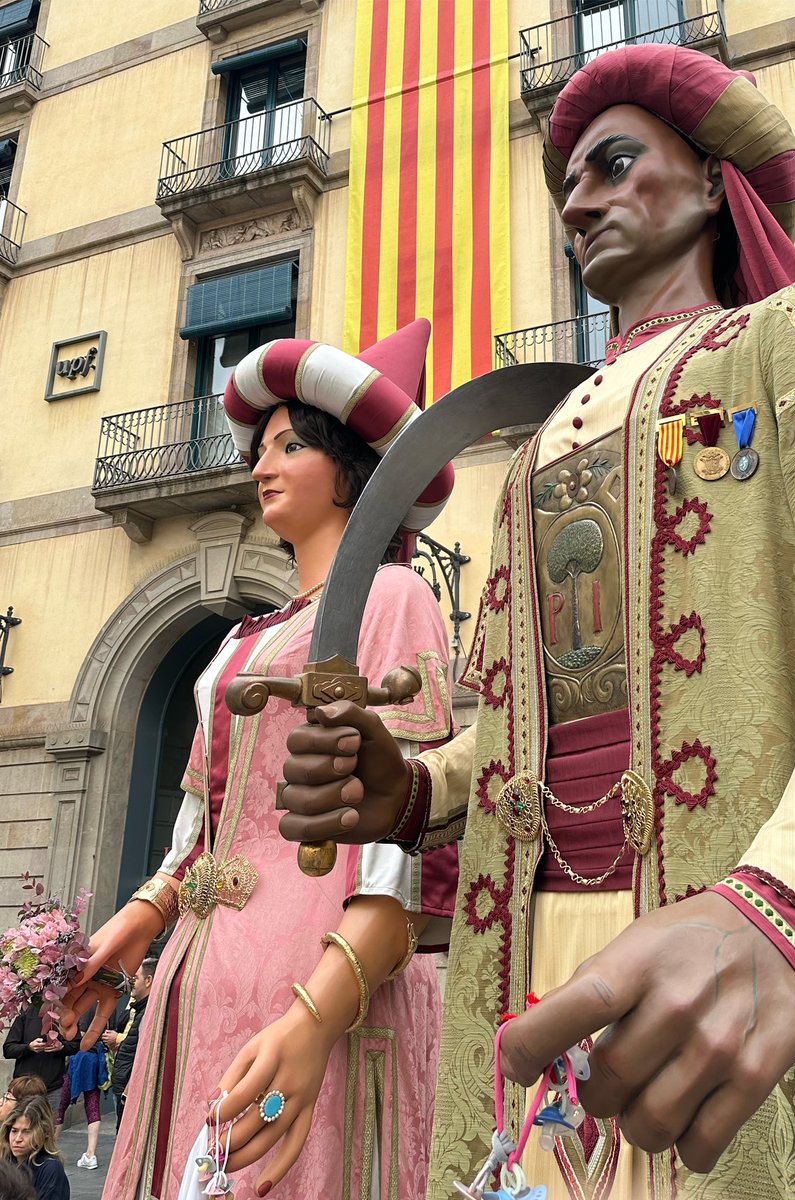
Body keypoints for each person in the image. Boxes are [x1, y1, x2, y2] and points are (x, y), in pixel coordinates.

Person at [276, 43, 795, 1200]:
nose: (578, 199)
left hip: (742, 932)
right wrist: (415, 790)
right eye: (566, 185)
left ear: (710, 182)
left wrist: (789, 910)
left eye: (613, 162)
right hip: (535, 968)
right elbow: (528, 729)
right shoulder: (538, 449)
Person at [59, 324, 460, 1199]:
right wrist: (135, 927)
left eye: (290, 445)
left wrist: (319, 1011)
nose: (261, 465)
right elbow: (199, 830)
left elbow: (404, 835)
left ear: (351, 468)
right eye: (262, 446)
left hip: (313, 985)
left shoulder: (393, 598)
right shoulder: (246, 636)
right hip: (202, 990)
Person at [100, 959, 152, 1134]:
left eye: (135, 978)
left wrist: (128, 1090)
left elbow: (143, 1051)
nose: (131, 983)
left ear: (149, 980)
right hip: (123, 1088)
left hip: (130, 1092)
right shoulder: (135, 1008)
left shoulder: (150, 1012)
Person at [54, 1009, 107, 1170]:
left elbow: (82, 1035)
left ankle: (50, 1150)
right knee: (92, 1106)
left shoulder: (88, 1008)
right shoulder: (104, 1006)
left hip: (80, 1059)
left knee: (61, 1105)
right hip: (95, 1059)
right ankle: (91, 1154)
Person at [2, 1014, 78, 1117]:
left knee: (47, 1129)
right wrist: (28, 1047)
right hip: (24, 1088)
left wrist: (61, 1047)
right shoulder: (27, 1014)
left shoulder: (66, 1015)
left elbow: (76, 1045)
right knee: (20, 1125)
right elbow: (8, 1049)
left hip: (52, 1087)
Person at [0, 1097, 68, 1200]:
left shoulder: (50, 1168)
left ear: (42, 1133)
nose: (18, 1139)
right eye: (14, 1131)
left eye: (26, 1132)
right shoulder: (5, 1163)